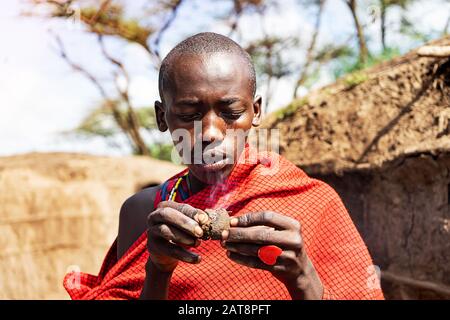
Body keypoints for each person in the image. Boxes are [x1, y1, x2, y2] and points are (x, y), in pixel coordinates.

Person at [63, 32, 384, 300]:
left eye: (230, 112)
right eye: (189, 114)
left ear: (255, 112)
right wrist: (158, 270)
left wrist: (303, 278)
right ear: (163, 118)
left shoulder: (312, 202)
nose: (211, 133)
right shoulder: (141, 212)